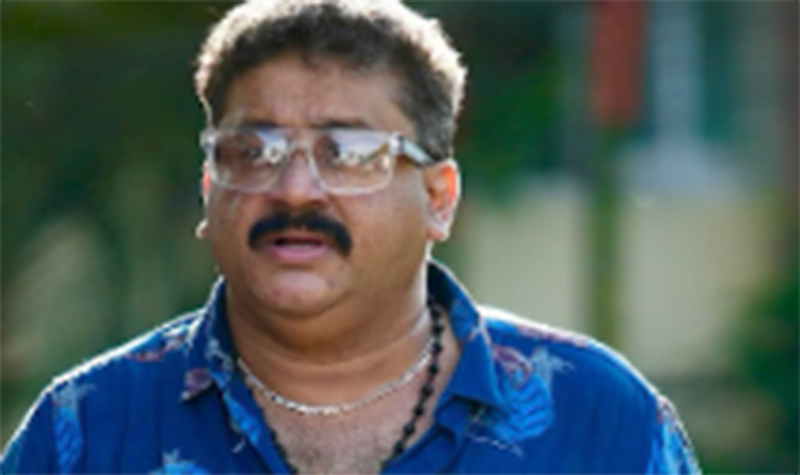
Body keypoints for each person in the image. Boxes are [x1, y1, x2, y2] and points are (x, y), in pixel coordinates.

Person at [2, 0, 701, 473]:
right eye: (254, 151)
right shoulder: (89, 430)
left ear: (438, 199)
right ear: (211, 188)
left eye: (348, 153)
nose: (295, 189)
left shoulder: (596, 419)